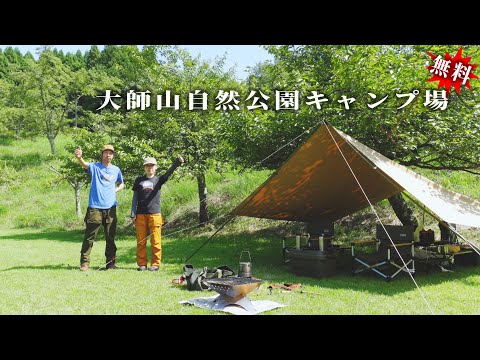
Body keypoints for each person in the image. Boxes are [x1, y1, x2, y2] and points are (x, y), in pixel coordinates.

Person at [75, 144, 125, 271]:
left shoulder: (116, 170)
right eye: (106, 152)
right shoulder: (95, 167)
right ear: (102, 154)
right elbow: (85, 164)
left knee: (110, 237)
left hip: (110, 208)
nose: (108, 155)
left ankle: (111, 263)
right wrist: (79, 158)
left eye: (111, 153)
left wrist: (116, 189)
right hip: (95, 207)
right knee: (90, 236)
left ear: (113, 156)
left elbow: (122, 184)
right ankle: (84, 263)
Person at [131, 155, 184, 271]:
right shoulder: (139, 180)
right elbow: (135, 197)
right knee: (141, 241)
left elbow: (168, 173)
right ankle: (142, 264)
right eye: (147, 166)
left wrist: (177, 163)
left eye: (152, 165)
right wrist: (132, 212)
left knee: (156, 241)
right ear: (144, 167)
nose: (149, 167)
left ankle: (155, 264)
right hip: (140, 215)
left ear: (155, 167)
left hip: (155, 214)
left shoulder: (159, 180)